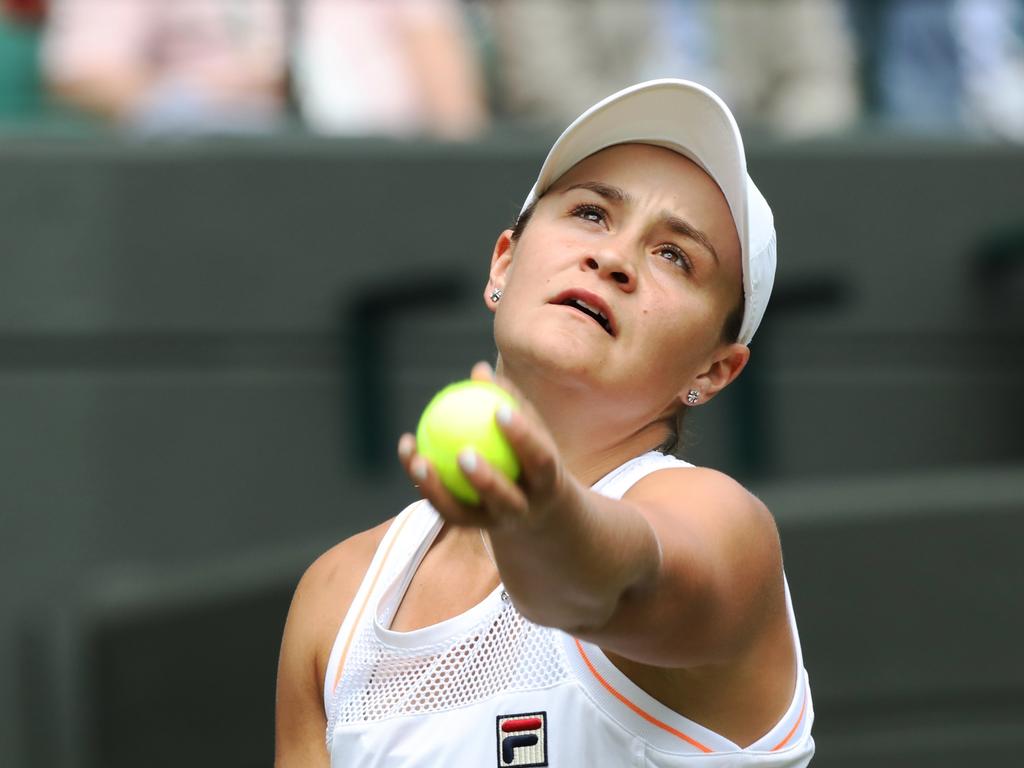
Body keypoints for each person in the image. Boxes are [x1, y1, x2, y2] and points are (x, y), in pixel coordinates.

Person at [275, 79, 814, 766]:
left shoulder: (724, 527)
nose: (614, 259)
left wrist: (544, 514)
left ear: (713, 371)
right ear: (504, 262)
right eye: (591, 214)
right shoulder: (335, 596)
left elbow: (604, 585)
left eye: (675, 255)